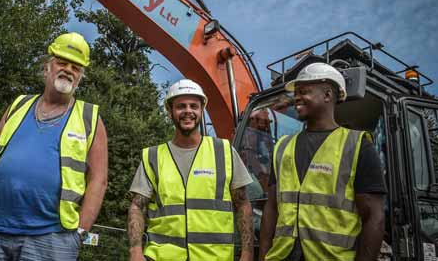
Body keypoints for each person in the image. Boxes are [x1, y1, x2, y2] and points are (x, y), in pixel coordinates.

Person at [0, 32, 108, 261]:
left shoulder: (90, 116)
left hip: (52, 237)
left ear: (80, 77)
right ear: (47, 68)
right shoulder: (19, 104)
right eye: (62, 62)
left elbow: (98, 180)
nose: (69, 70)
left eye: (76, 67)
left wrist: (80, 232)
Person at [259, 63, 386, 261]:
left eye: (304, 91)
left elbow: (374, 217)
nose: (297, 98)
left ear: (327, 95)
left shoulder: (357, 145)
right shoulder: (283, 147)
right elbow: (272, 208)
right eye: (296, 93)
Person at [127, 79, 255, 261]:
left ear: (201, 110)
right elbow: (137, 206)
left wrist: (247, 253)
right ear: (170, 111)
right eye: (181, 106)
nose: (188, 111)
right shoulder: (153, 157)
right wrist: (135, 251)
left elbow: (242, 204)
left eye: (194, 106)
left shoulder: (224, 151)